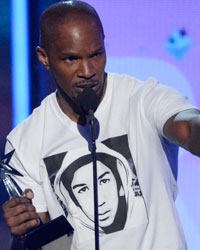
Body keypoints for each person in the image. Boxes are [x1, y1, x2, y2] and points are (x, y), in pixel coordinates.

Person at [2, 1, 200, 250]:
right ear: (44, 58)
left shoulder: (142, 99)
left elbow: (188, 128)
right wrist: (21, 236)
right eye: (71, 59)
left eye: (96, 54)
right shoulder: (25, 141)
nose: (87, 71)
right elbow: (41, 243)